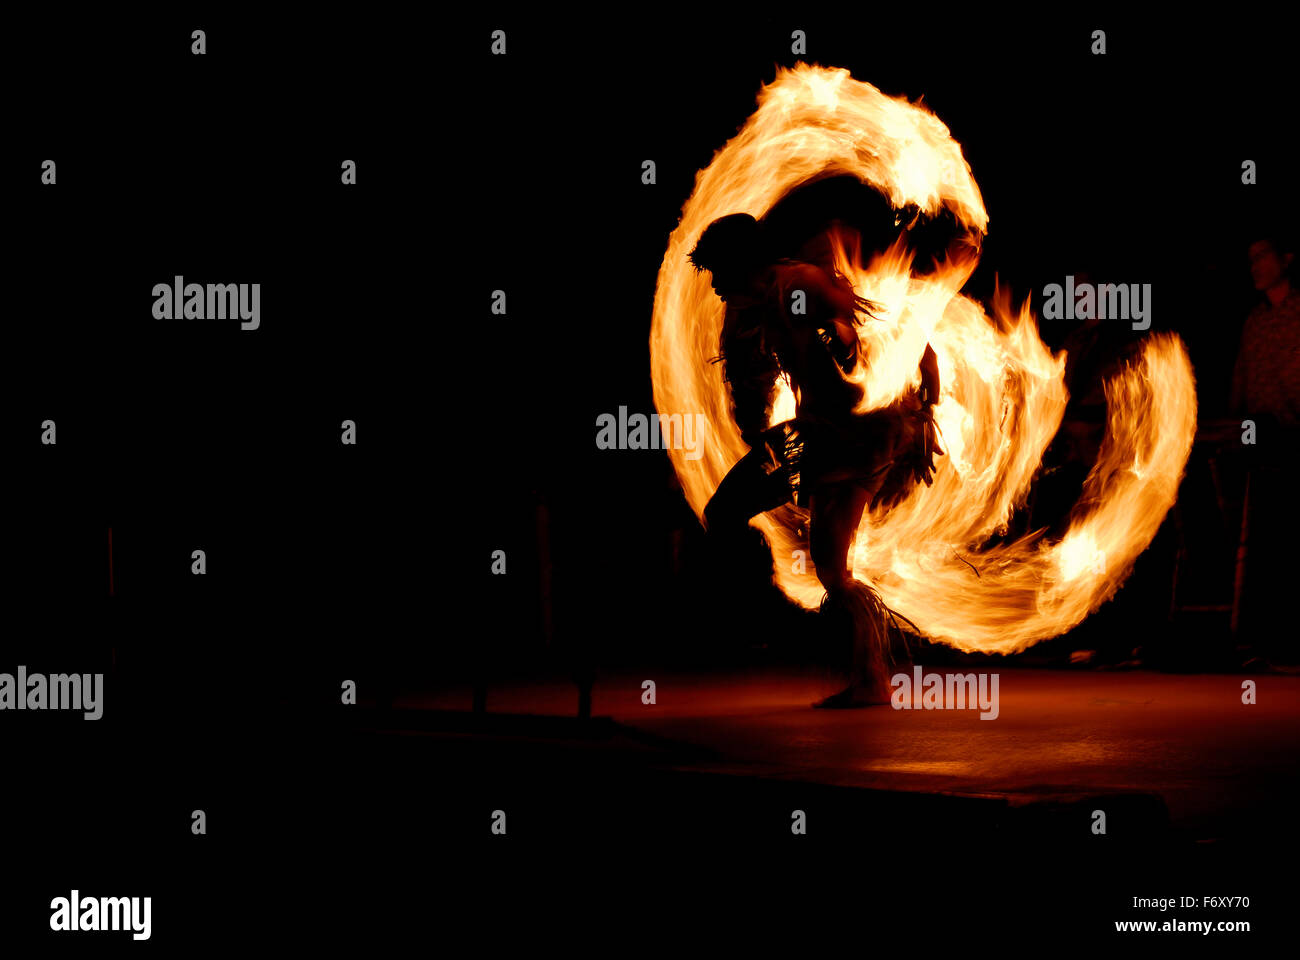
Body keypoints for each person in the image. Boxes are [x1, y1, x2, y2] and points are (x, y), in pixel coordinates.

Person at [691, 213, 942, 707]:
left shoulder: (796, 284)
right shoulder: (767, 298)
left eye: (719, 273)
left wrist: (854, 345)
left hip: (840, 436)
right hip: (848, 437)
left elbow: (867, 325)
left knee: (723, 513)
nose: (716, 287)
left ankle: (743, 630)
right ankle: (870, 677)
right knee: (830, 563)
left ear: (742, 263)